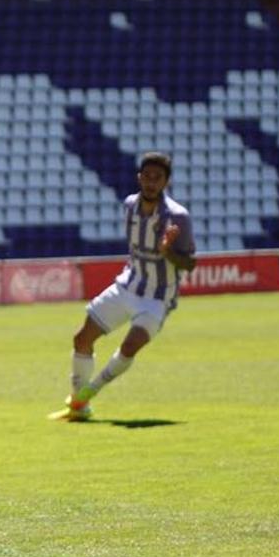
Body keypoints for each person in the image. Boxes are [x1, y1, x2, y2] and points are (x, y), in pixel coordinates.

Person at [50, 152, 196, 422]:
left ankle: (87, 395)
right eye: (147, 177)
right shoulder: (129, 205)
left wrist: (167, 252)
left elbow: (190, 264)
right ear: (139, 178)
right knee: (81, 338)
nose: (151, 182)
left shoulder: (178, 217)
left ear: (167, 182)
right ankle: (79, 408)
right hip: (128, 286)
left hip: (157, 297)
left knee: (130, 347)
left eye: (158, 178)